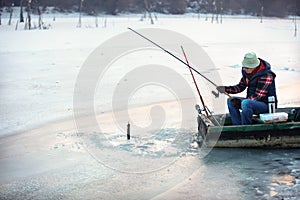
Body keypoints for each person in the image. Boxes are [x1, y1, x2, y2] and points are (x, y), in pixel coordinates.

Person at [217, 52, 277, 125]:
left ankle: (246, 127)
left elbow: (258, 96)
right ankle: (237, 126)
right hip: (250, 102)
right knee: (231, 100)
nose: (244, 69)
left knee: (246, 103)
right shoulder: (248, 73)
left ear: (254, 67)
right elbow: (240, 87)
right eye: (244, 67)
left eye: (247, 68)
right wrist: (225, 89)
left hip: (266, 105)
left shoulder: (266, 75)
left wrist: (242, 102)